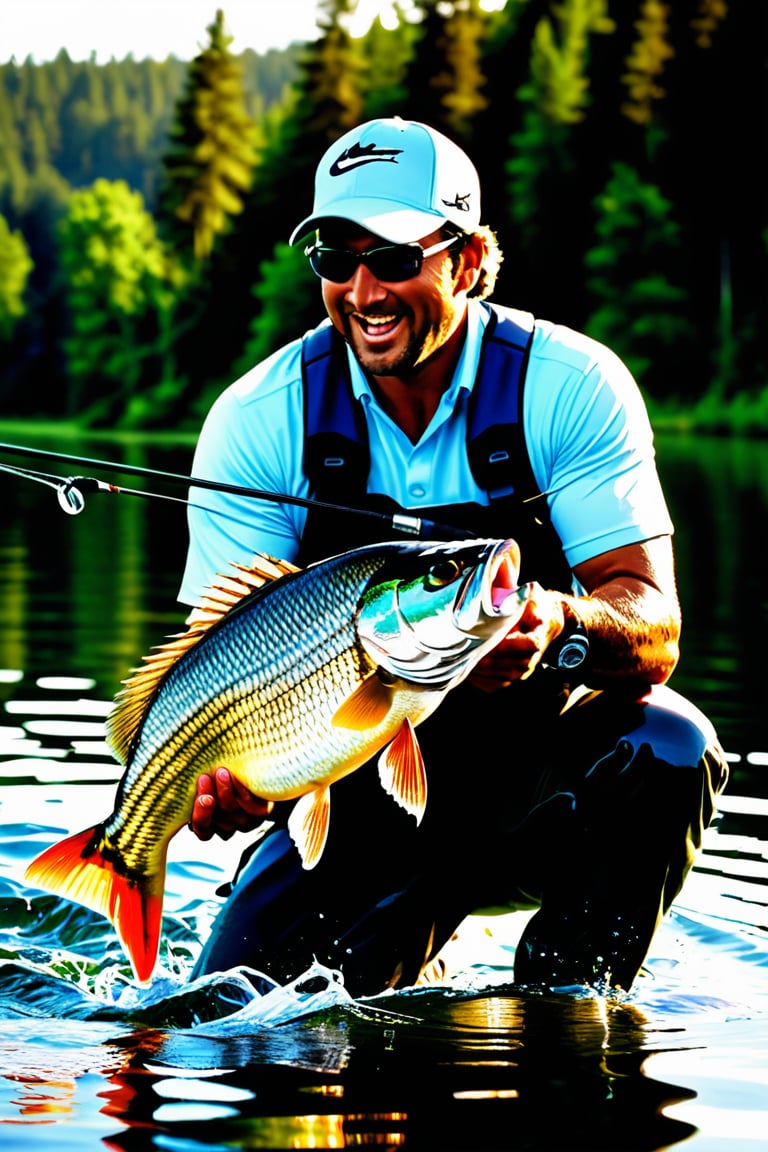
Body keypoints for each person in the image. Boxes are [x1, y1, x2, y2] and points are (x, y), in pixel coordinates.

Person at [178, 116, 727, 996]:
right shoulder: (258, 418)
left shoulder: (571, 385)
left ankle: (565, 1019)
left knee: (670, 746)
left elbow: (654, 624)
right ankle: (406, 941)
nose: (363, 289)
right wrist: (232, 780)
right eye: (335, 257)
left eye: (394, 256)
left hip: (539, 787)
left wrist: (558, 623)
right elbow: (221, 666)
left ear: (469, 260)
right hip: (358, 802)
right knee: (229, 1031)